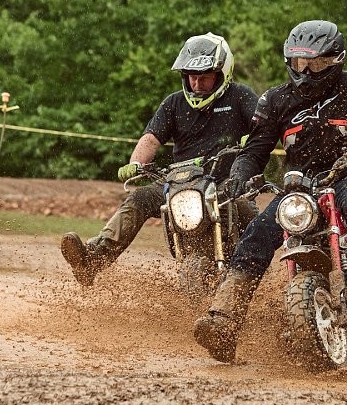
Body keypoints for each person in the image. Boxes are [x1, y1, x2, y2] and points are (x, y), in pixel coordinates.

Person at [193, 19, 347, 363]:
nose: (305, 72)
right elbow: (255, 150)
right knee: (258, 232)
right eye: (298, 64)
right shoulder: (274, 99)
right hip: (300, 185)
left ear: (335, 61)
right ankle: (224, 320)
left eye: (315, 64)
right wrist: (239, 176)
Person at [60, 33, 259, 286]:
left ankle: (255, 275)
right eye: (192, 77)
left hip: (226, 181)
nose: (197, 84)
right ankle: (94, 259)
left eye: (205, 78)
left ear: (222, 74)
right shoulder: (174, 103)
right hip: (179, 181)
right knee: (140, 197)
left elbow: (262, 126)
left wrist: (252, 139)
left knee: (250, 213)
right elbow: (151, 139)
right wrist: (136, 164)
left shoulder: (240, 96)